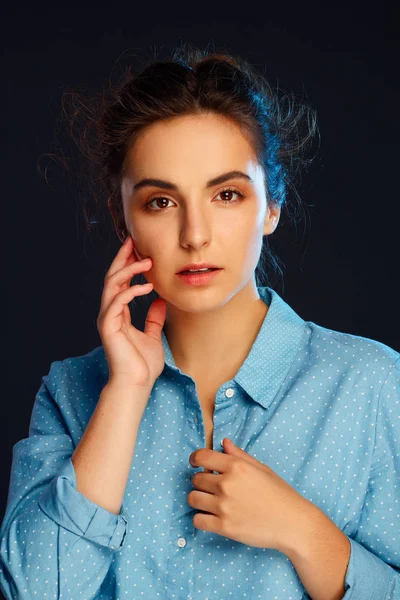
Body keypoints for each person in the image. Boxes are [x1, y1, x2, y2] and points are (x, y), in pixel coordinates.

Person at [1, 43, 399, 600]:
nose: (194, 234)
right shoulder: (71, 393)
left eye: (227, 194)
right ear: (124, 222)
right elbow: (35, 592)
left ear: (271, 207)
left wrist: (305, 534)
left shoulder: (374, 385)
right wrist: (125, 394)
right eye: (161, 202)